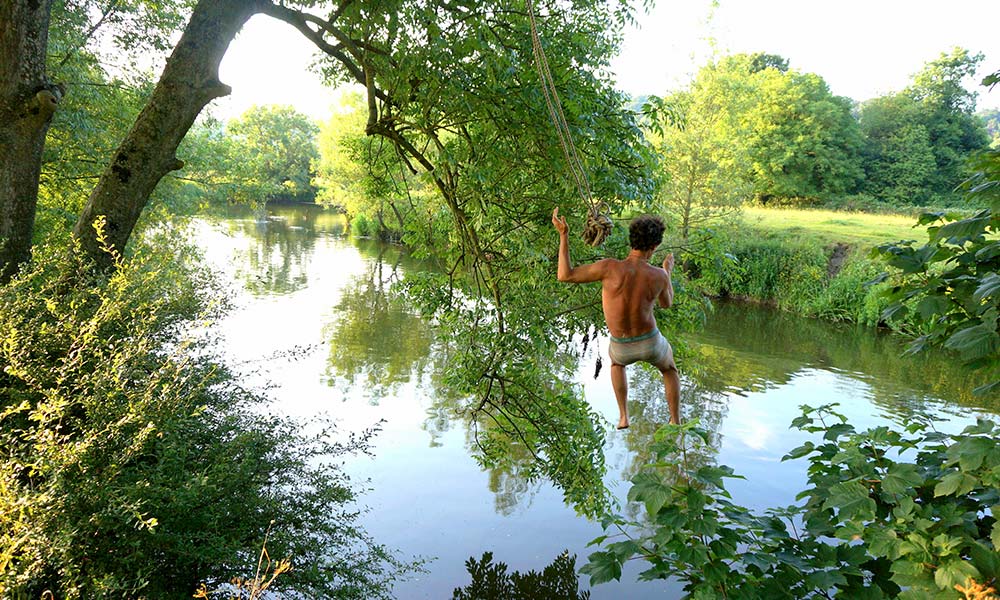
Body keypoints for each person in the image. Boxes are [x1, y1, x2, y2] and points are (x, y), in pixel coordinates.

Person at [552, 207, 680, 429]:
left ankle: (623, 415)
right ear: (654, 246)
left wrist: (564, 235)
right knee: (669, 369)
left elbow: (565, 275)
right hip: (650, 342)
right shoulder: (658, 275)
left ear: (631, 241)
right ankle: (675, 419)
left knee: (617, 364)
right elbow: (666, 303)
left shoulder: (609, 268)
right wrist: (667, 270)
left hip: (621, 345)